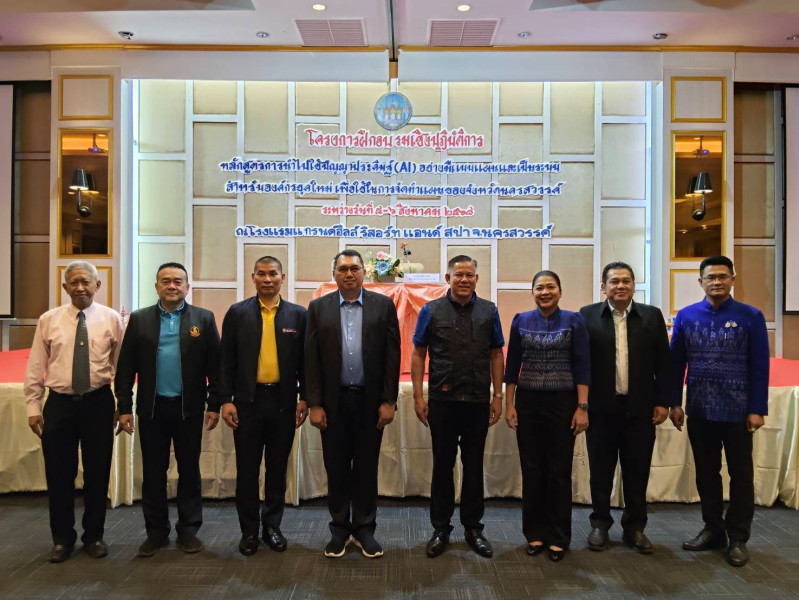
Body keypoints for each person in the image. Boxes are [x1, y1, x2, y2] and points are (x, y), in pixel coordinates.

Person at [115, 262, 221, 557]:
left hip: (189, 409)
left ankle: (188, 531)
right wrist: (124, 406)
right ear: (156, 286)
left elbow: (216, 367)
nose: (172, 286)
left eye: (177, 281)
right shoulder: (140, 319)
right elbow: (126, 367)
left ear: (187, 286)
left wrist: (214, 403)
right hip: (152, 409)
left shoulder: (203, 318)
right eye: (165, 281)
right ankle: (156, 532)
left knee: (189, 471)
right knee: (153, 473)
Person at [670, 255, 769, 567]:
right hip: (699, 408)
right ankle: (713, 529)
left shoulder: (750, 316)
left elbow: (760, 366)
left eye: (723, 276)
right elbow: (676, 363)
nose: (717, 282)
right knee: (706, 473)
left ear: (732, 280)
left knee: (741, 475)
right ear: (700, 282)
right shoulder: (686, 316)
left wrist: (757, 408)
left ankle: (738, 537)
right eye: (711, 277)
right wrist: (674, 402)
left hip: (738, 410)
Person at [24, 261, 124, 563]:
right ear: (65, 286)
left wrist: (123, 406)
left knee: (97, 473)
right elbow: (36, 365)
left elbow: (121, 366)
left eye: (86, 282)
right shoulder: (49, 320)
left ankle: (94, 536)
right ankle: (62, 539)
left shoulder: (112, 319)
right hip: (59, 405)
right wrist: (33, 406)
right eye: (74, 282)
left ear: (97, 285)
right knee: (59, 475)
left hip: (98, 404)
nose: (80, 287)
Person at [305, 249, 400, 559]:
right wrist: (314, 403)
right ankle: (339, 530)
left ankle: (364, 529)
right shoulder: (318, 308)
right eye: (343, 269)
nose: (349, 274)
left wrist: (389, 400)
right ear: (334, 274)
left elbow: (392, 356)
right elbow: (311, 360)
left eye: (354, 268)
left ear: (364, 272)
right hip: (332, 404)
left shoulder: (383, 305)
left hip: (370, 403)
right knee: (335, 468)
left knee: (366, 468)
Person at [411, 255, 505, 559]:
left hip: (477, 402)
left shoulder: (490, 311)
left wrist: (498, 396)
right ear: (448, 278)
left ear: (477, 278)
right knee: (442, 465)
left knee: (474, 466)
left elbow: (496, 354)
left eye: (469, 275)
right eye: (458, 274)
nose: (464, 279)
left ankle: (473, 528)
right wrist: (418, 397)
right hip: (443, 401)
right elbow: (418, 353)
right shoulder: (431, 310)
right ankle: (441, 528)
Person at [579, 262, 671, 554]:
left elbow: (663, 363)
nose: (621, 286)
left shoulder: (651, 316)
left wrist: (663, 401)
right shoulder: (587, 316)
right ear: (603, 287)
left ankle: (635, 528)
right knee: (600, 471)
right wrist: (581, 405)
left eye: (626, 281)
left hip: (640, 410)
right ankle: (600, 524)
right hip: (600, 410)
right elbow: (580, 363)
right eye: (614, 281)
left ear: (634, 285)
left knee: (637, 471)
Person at [219, 256, 307, 556]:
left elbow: (306, 362)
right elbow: (226, 360)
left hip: (283, 402)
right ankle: (248, 531)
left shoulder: (298, 315)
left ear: (283, 277)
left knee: (276, 469)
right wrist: (226, 400)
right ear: (253, 277)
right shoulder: (237, 313)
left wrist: (305, 397)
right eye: (261, 274)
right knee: (247, 470)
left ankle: (272, 526)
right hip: (247, 402)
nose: (267, 279)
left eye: (273, 274)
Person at [504, 270, 590, 562]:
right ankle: (535, 533)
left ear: (560, 291)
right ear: (533, 292)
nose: (545, 292)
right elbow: (512, 365)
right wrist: (510, 404)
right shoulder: (521, 320)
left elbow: (582, 365)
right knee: (532, 469)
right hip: (528, 403)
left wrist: (582, 407)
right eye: (539, 287)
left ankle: (559, 536)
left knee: (558, 470)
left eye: (550, 287)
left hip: (563, 403)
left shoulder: (574, 320)